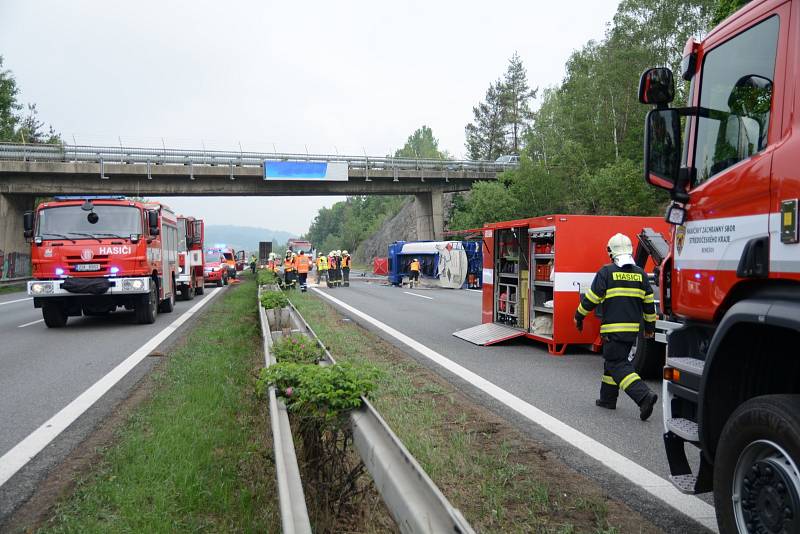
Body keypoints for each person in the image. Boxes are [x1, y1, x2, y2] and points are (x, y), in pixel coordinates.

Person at [574, 233, 659, 420]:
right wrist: (650, 328)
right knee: (611, 363)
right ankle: (608, 399)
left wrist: (578, 316)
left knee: (617, 363)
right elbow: (649, 305)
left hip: (612, 331)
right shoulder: (641, 274)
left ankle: (644, 396)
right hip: (631, 333)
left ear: (610, 252)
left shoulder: (606, 272)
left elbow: (591, 299)